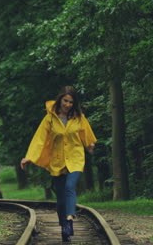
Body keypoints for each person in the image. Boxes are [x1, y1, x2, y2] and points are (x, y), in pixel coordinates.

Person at [20, 86, 96, 242]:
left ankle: (69, 221)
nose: (67, 104)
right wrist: (29, 157)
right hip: (57, 161)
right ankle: (64, 227)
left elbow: (87, 135)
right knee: (61, 200)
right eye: (65, 101)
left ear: (74, 104)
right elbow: (39, 139)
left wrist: (90, 145)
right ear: (60, 99)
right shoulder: (50, 118)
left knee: (70, 187)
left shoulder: (79, 117)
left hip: (75, 159)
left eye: (70, 102)